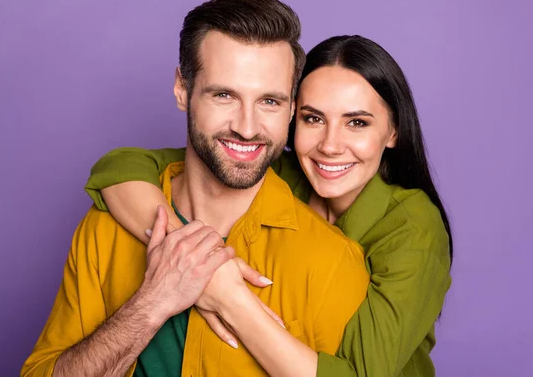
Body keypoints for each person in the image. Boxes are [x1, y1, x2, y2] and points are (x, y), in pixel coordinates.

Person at [22, 0, 370, 377]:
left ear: (291, 109)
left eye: (270, 101)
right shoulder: (107, 226)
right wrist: (152, 302)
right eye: (224, 95)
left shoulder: (332, 262)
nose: (247, 127)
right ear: (182, 90)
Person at [83, 34, 454, 376]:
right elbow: (120, 167)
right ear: (292, 116)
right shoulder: (279, 173)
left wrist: (225, 295)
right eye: (313, 118)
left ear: (393, 131)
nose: (330, 144)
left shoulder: (414, 227)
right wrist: (191, 256)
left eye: (356, 122)